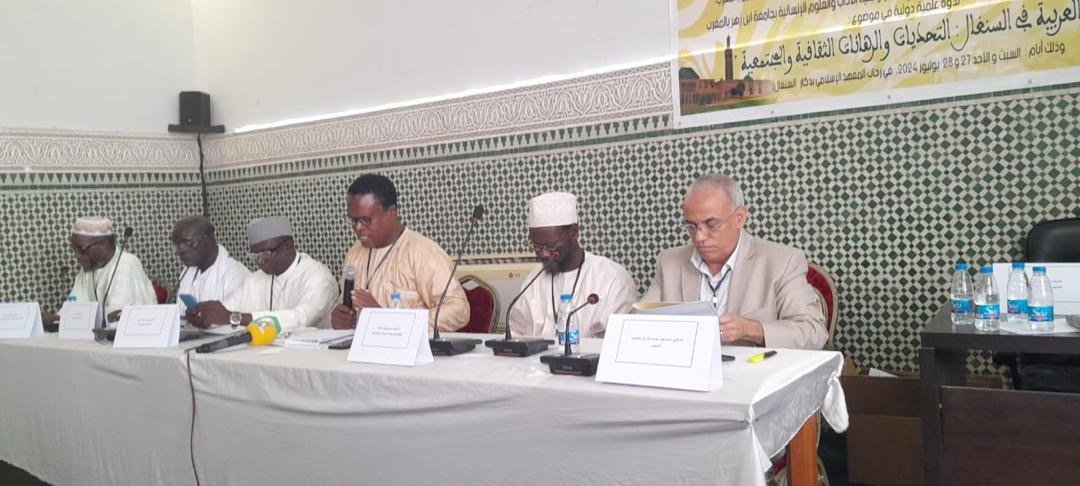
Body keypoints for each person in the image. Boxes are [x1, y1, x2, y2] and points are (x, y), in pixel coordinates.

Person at [642, 174, 826, 349]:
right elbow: (637, 323)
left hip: (755, 370)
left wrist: (753, 330)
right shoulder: (669, 263)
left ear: (739, 218)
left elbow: (813, 332)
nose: (699, 237)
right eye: (692, 226)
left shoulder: (782, 262)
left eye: (712, 225)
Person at [330, 174, 469, 331]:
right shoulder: (354, 253)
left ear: (391, 213)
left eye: (366, 220)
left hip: (411, 346)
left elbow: (458, 311)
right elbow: (346, 306)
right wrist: (341, 319)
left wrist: (388, 320)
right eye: (353, 220)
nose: (358, 227)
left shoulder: (423, 253)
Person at [508, 192, 636, 338]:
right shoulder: (534, 279)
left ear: (574, 232)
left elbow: (620, 341)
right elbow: (514, 331)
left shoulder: (611, 278)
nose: (543, 254)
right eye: (536, 246)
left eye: (550, 246)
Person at [187, 216, 337, 332]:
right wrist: (204, 317)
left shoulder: (317, 277)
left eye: (266, 254)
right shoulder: (255, 279)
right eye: (255, 256)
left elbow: (301, 318)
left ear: (288, 246)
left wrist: (235, 318)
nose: (260, 261)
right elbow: (225, 311)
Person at [67, 216, 157, 322]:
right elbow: (75, 304)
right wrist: (60, 317)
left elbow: (117, 317)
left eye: (82, 249)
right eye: (74, 249)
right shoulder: (90, 266)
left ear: (104, 245)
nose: (76, 256)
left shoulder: (126, 264)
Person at [170, 215, 249, 305]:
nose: (179, 251)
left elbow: (235, 313)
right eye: (176, 245)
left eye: (188, 243)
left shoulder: (234, 276)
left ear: (208, 238)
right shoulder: (187, 272)